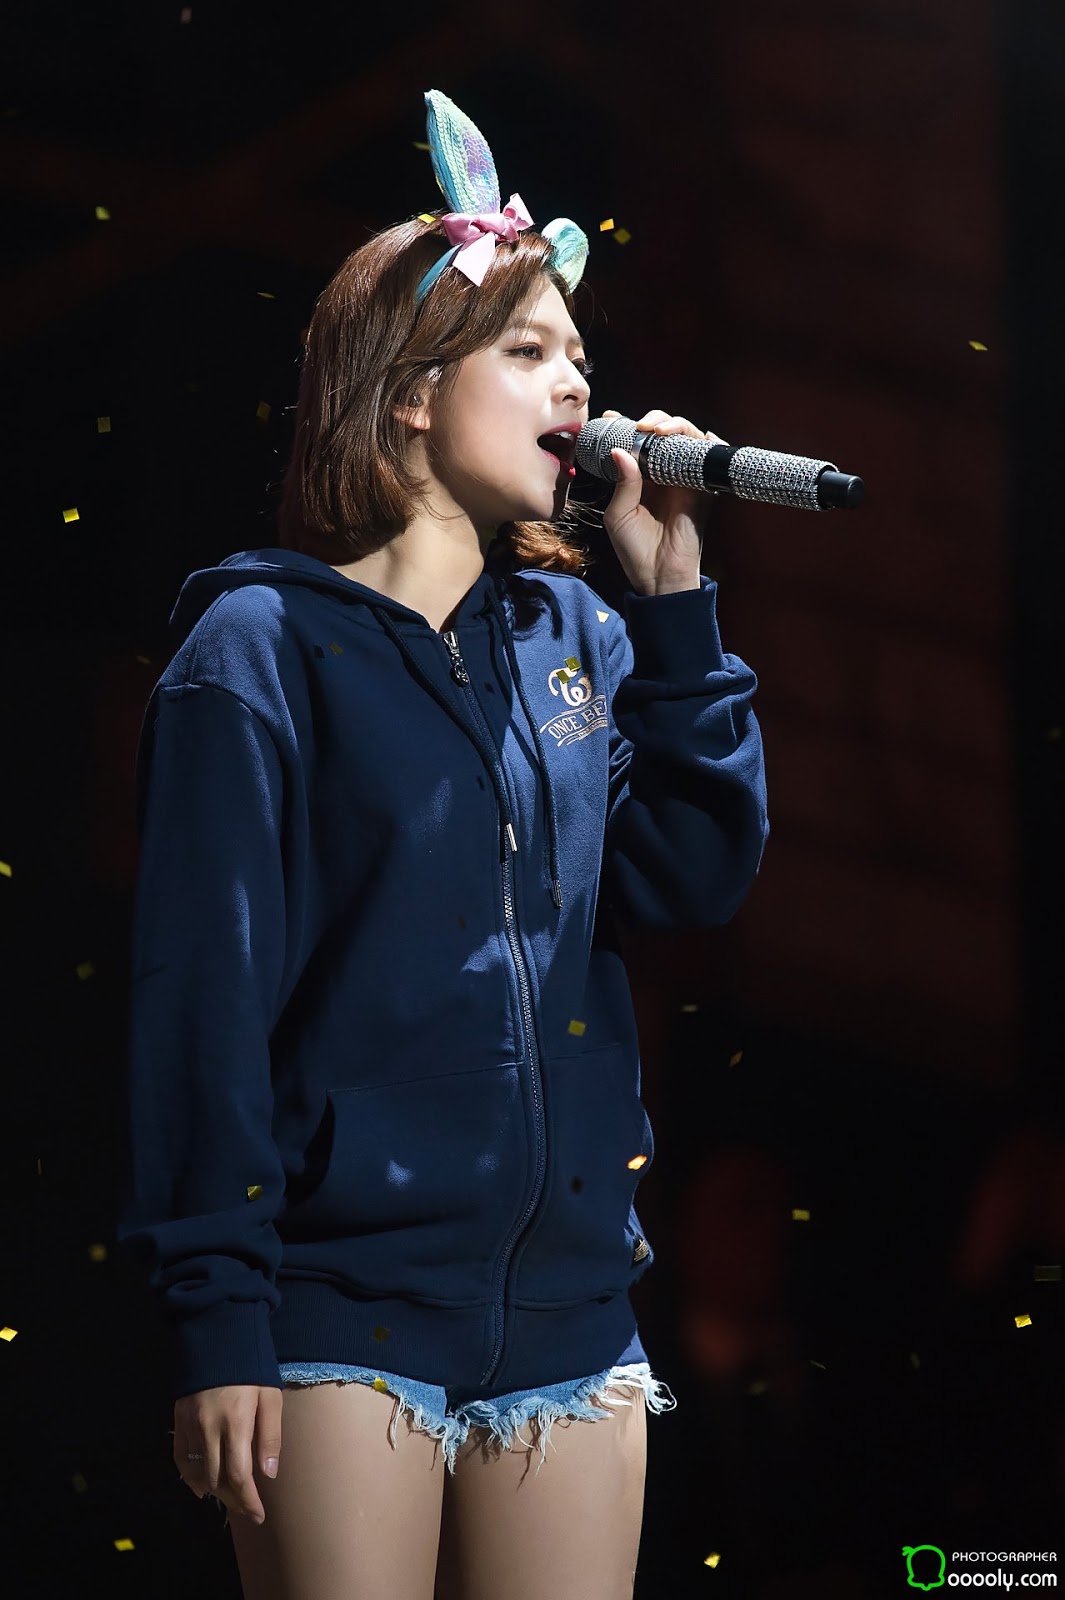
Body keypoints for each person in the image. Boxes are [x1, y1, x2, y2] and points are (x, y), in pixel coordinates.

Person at [115, 89, 769, 1600]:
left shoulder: (579, 634)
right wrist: (218, 1312)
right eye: (527, 352)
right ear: (409, 394)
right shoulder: (259, 648)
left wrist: (676, 610)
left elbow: (691, 878)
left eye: (579, 356)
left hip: (570, 1312)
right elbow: (202, 1002)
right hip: (338, 1310)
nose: (576, 384)